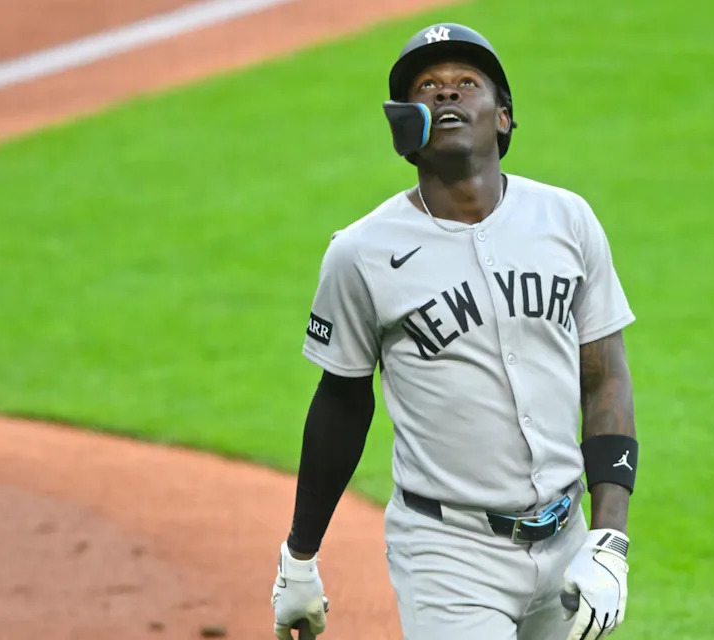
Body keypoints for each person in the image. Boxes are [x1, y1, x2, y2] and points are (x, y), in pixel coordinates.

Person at [271, 23, 639, 640]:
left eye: (467, 84)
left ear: (502, 117)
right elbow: (341, 404)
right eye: (428, 88)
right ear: (403, 125)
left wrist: (609, 537)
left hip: (569, 536)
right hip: (448, 555)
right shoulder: (359, 253)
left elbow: (604, 378)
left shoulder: (567, 219)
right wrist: (300, 557)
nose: (447, 95)